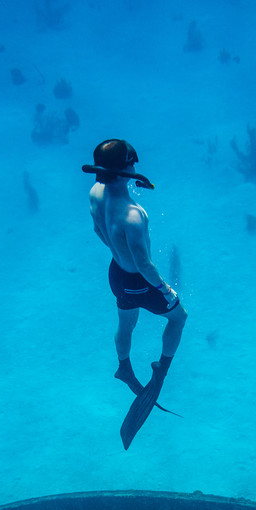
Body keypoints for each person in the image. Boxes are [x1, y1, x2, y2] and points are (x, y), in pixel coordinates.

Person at [83, 140, 187, 412]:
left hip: (116, 274)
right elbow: (143, 264)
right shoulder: (133, 214)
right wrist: (166, 290)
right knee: (179, 317)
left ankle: (124, 368)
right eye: (132, 162)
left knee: (126, 322)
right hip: (139, 281)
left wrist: (118, 250)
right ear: (124, 169)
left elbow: (97, 230)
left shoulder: (94, 192)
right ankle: (161, 370)